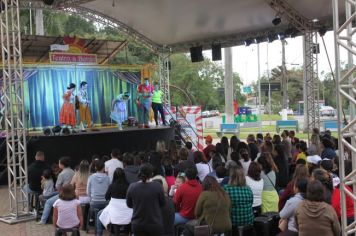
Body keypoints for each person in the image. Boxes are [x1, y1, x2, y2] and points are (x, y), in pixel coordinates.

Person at [126, 163, 166, 236]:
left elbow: (129, 204)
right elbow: (163, 203)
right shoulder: (157, 186)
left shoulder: (132, 187)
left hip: (138, 224)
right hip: (154, 224)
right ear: (152, 174)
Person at [38, 156, 75, 224]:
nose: (58, 164)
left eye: (59, 163)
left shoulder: (62, 174)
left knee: (48, 202)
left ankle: (43, 220)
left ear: (62, 164)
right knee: (50, 194)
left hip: (63, 193)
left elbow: (57, 186)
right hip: (72, 192)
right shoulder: (73, 172)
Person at [97, 168, 132, 236]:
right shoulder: (129, 186)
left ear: (114, 176)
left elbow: (106, 197)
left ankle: (99, 234)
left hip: (114, 216)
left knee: (99, 214)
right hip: (128, 214)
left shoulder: (112, 186)